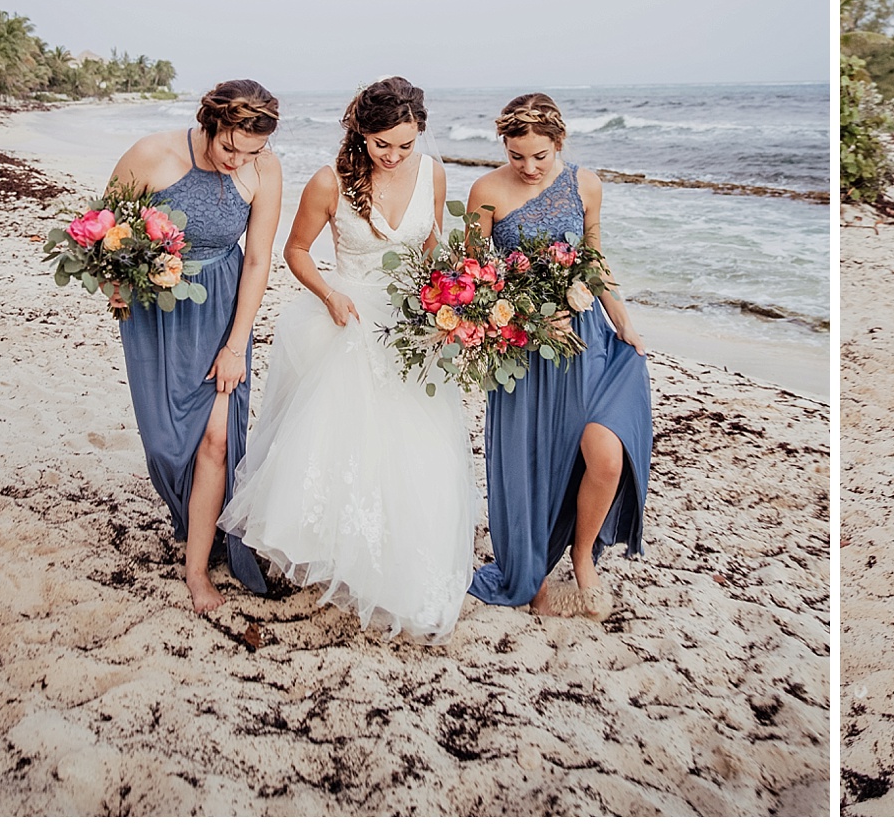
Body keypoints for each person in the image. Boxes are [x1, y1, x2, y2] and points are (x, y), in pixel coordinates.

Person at [220, 77, 479, 643]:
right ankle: (339, 557)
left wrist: (446, 304)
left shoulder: (432, 174)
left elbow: (432, 245)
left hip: (413, 325)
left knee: (416, 447)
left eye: (405, 145)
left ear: (420, 136)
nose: (393, 156)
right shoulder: (329, 181)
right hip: (348, 317)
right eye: (381, 144)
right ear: (360, 133)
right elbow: (295, 250)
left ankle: (399, 562)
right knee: (344, 443)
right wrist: (330, 294)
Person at [466, 94, 653, 621]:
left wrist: (625, 324)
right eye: (517, 154)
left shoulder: (586, 184)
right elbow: (473, 283)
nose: (527, 167)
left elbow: (593, 260)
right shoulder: (485, 191)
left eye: (540, 156)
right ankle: (532, 567)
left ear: (559, 144)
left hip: (590, 339)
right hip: (526, 351)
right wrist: (529, 319)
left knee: (606, 455)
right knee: (533, 464)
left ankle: (583, 554)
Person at [104, 80, 283, 613]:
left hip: (225, 307)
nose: (238, 162)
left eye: (252, 151)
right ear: (208, 124)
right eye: (230, 147)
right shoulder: (150, 155)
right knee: (164, 445)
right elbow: (101, 233)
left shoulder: (264, 169)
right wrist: (115, 284)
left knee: (217, 440)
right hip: (156, 313)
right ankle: (197, 520)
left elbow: (257, 260)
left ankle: (199, 570)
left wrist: (236, 345)